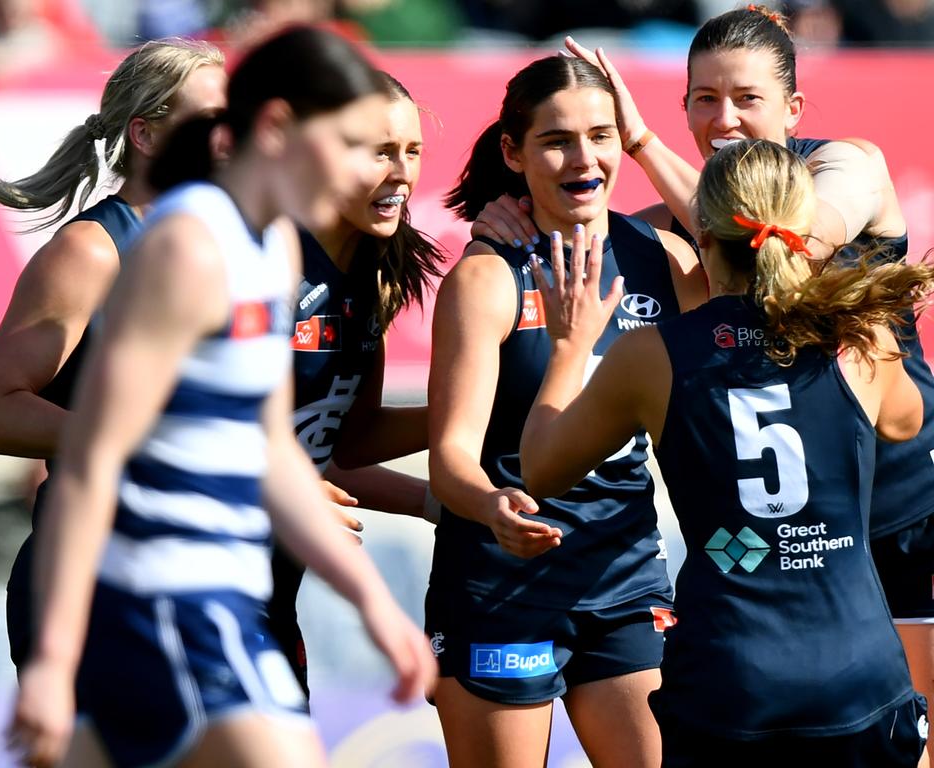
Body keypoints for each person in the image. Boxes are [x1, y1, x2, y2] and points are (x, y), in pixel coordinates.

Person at [477, 8, 934, 744]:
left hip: (895, 519)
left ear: (794, 108)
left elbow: (792, 247)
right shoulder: (690, 241)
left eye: (746, 98)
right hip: (810, 587)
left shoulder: (851, 164)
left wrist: (645, 144)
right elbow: (640, 237)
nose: (723, 118)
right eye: (703, 99)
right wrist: (520, 219)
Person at [4, 26, 435, 768]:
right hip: (158, 596)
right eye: (350, 142)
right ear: (278, 130)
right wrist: (51, 657)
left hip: (223, 596)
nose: (372, 170)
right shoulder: (185, 247)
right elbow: (90, 462)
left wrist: (373, 604)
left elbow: (268, 451)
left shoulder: (267, 251)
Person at [427, 54, 706, 768]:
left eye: (602, 135)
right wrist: (493, 507)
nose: (584, 158)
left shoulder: (667, 261)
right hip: (500, 583)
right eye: (556, 141)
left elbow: (759, 238)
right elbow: (451, 457)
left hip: (625, 579)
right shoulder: (486, 278)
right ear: (513, 154)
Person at [0, 38, 227, 671]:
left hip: (207, 576)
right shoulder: (93, 251)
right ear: (147, 136)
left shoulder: (239, 253)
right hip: (93, 577)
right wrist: (137, 443)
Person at [275, 70, 445, 697]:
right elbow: (166, 433)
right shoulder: (257, 263)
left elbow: (346, 445)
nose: (401, 173)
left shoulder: (374, 273)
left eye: (413, 151)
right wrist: (273, 490)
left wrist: (442, 499)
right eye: (381, 152)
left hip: (269, 593)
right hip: (176, 585)